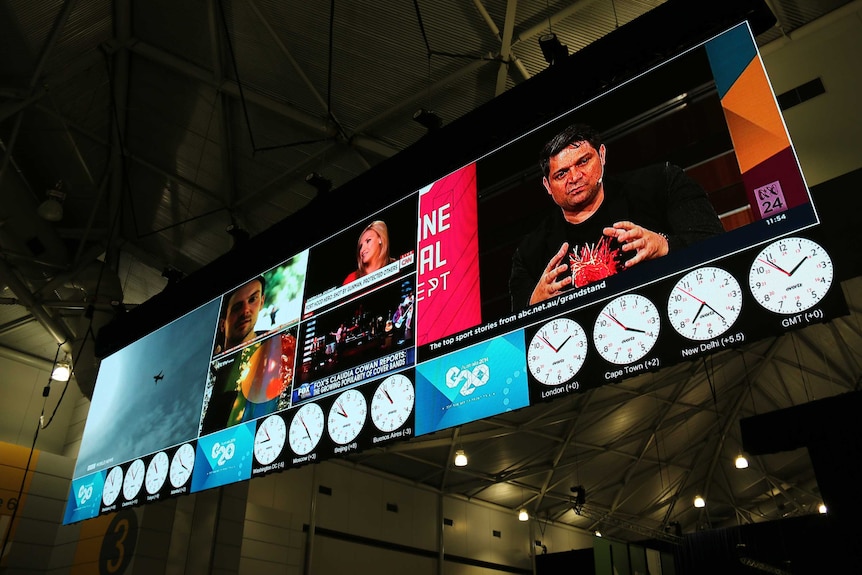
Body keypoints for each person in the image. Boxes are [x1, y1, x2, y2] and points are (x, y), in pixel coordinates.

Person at [510, 123, 725, 310]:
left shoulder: (661, 184)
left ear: (602, 155)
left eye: (583, 162)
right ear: (548, 186)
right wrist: (532, 308)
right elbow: (514, 340)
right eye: (561, 174)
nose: (574, 177)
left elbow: (721, 248)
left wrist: (665, 246)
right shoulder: (530, 253)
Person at [342, 220, 395, 285]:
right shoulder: (351, 279)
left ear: (380, 239)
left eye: (368, 241)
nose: (362, 250)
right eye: (361, 246)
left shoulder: (396, 266)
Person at [221, 276, 266, 350]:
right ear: (222, 324)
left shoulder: (277, 342)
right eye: (236, 307)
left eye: (252, 299)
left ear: (261, 302)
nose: (245, 310)